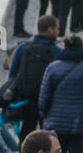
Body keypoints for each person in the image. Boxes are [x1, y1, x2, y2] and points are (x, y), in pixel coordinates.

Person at [7, 14, 62, 142]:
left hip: (25, 98)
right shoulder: (57, 51)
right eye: (57, 29)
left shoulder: (23, 48)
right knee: (49, 136)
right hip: (49, 101)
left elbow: (12, 75)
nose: (58, 32)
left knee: (27, 133)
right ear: (50, 30)